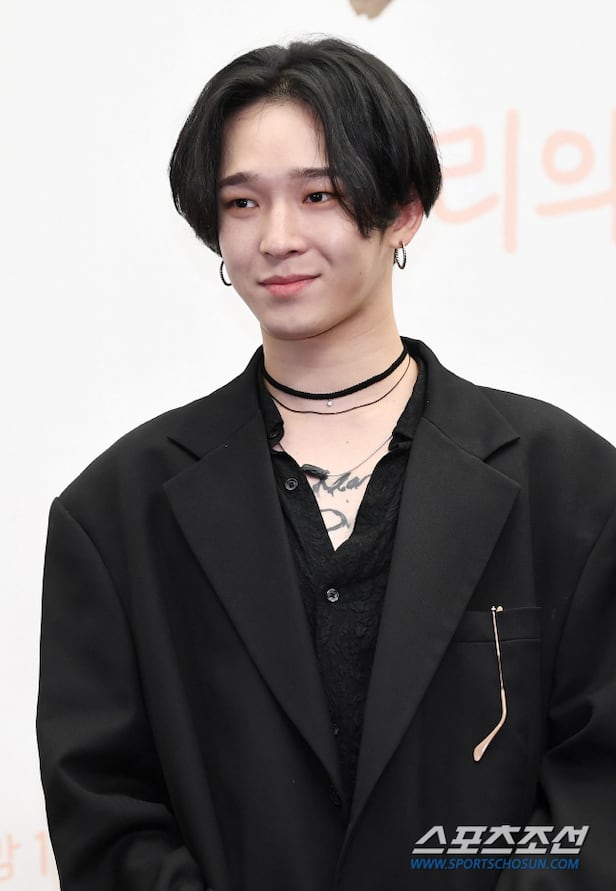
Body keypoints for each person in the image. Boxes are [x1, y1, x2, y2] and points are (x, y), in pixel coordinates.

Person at [37, 37, 616, 891]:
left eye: (320, 195)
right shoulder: (115, 513)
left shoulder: (573, 487)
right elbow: (105, 815)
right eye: (242, 202)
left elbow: (597, 805)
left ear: (405, 211)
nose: (277, 238)